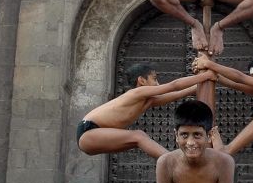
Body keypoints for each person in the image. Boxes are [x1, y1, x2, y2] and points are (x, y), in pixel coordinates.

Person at [77, 61, 216, 160]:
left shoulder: (147, 100)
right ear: (141, 81)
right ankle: (174, 162)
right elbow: (174, 86)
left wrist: (206, 84)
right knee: (138, 136)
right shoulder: (136, 93)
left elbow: (176, 94)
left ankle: (173, 163)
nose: (158, 84)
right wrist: (205, 76)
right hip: (88, 132)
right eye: (154, 79)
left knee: (137, 141)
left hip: (94, 137)